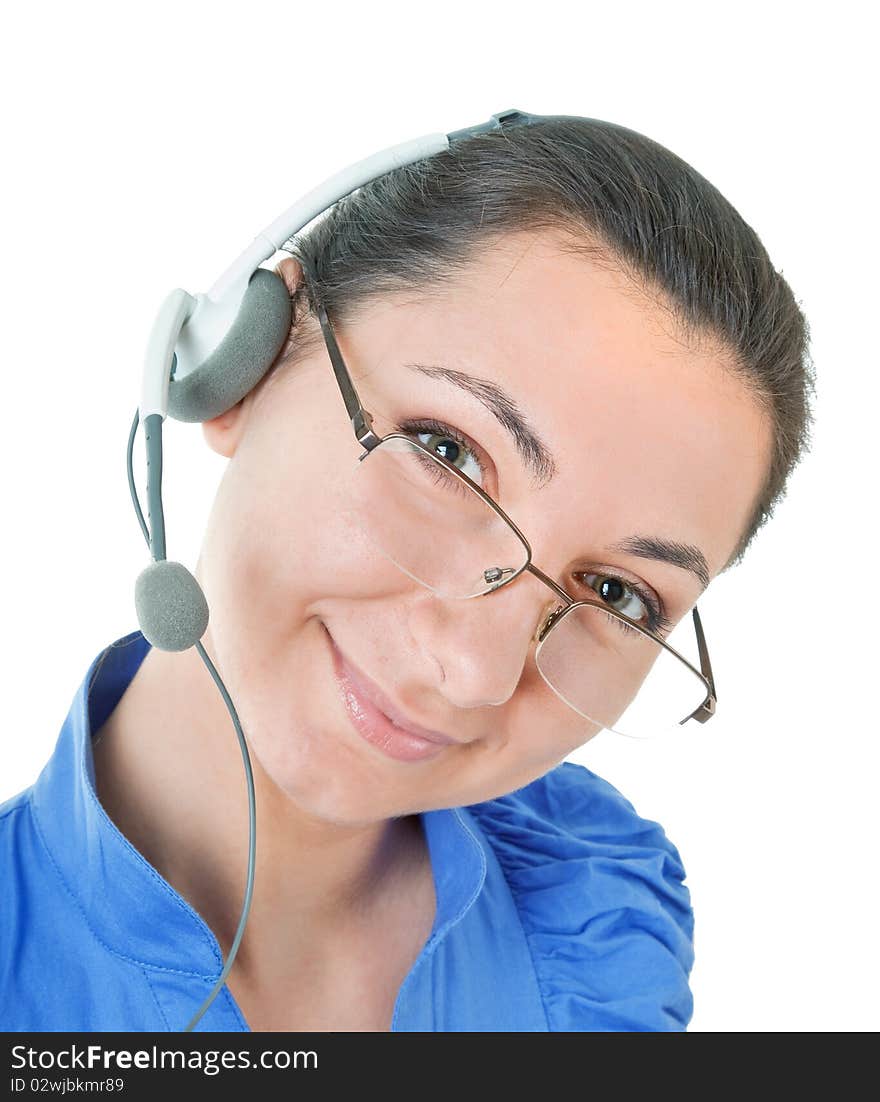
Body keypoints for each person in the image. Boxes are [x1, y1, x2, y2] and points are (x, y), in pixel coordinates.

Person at [0, 114, 814, 1032]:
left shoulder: (597, 910)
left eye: (617, 594)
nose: (476, 670)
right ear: (250, 364)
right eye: (450, 453)